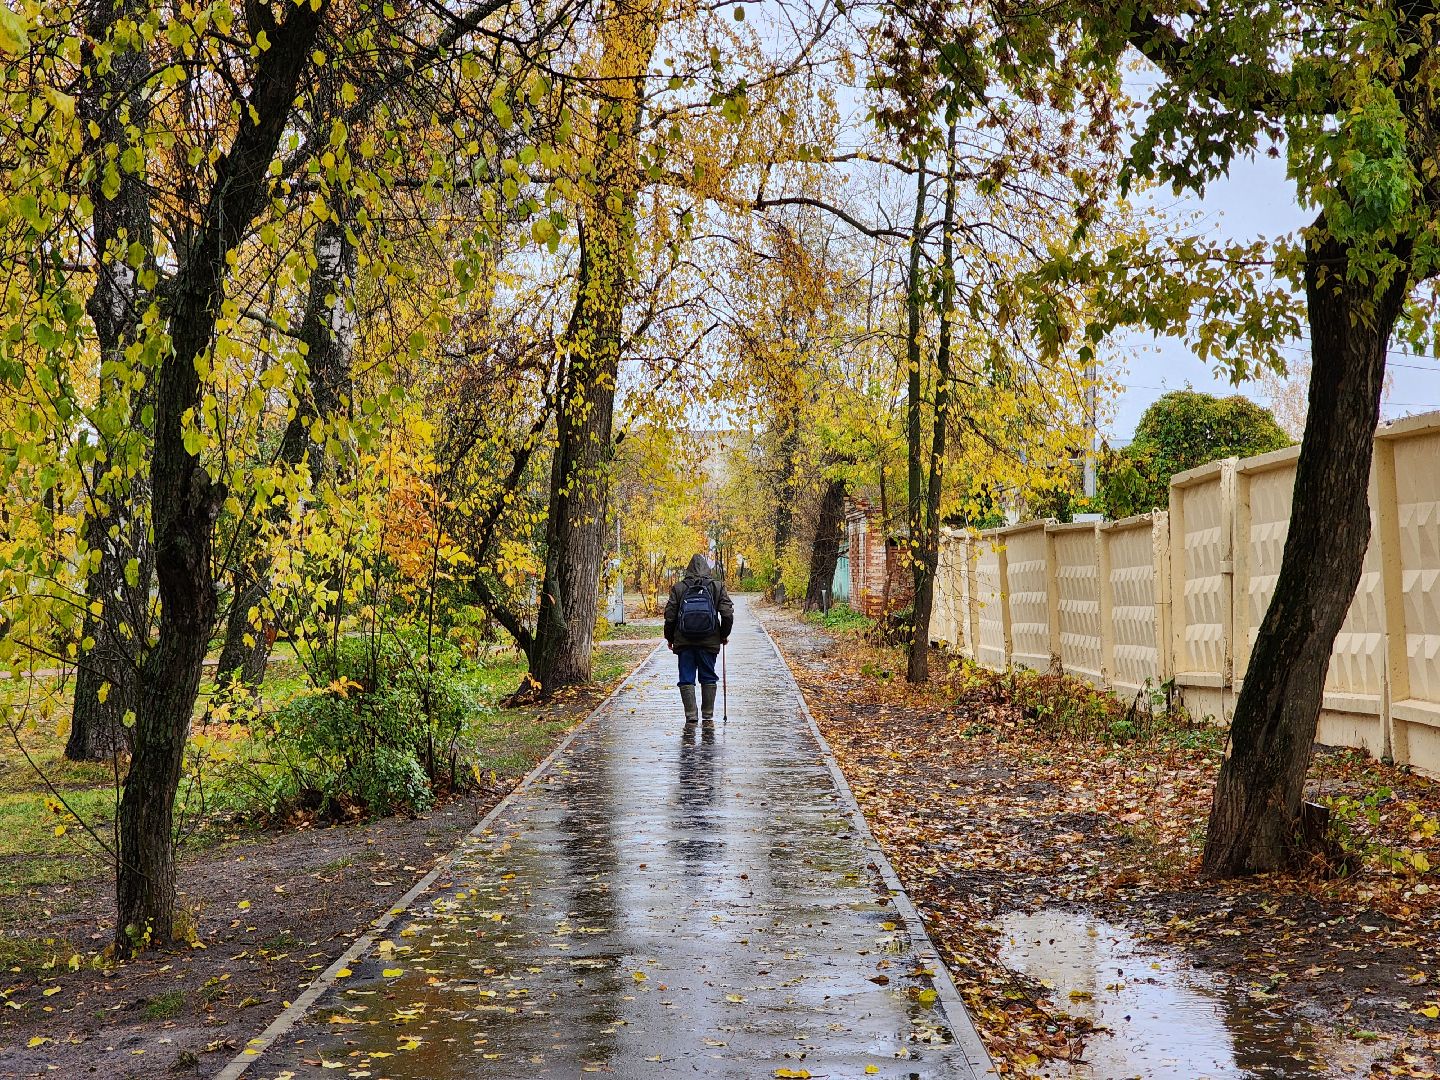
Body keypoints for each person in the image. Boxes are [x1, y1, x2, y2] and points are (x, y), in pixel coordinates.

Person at [663, 553, 734, 730]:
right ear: (707, 569)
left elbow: (670, 616)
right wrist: (723, 635)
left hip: (684, 641)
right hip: (709, 641)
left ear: (688, 569)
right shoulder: (717, 586)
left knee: (686, 677)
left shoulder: (679, 588)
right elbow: (727, 614)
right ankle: (708, 716)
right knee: (708, 675)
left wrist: (670, 638)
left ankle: (691, 717)